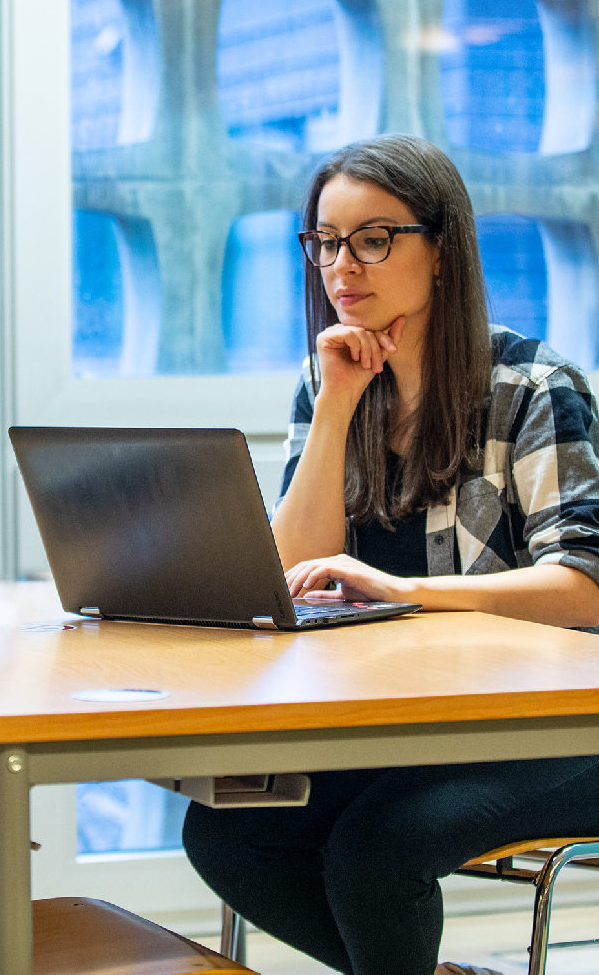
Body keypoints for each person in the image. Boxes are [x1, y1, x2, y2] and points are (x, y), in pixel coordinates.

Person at [184, 134, 599, 975]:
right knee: (230, 832)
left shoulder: (529, 385)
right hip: (419, 719)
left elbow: (583, 588)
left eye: (373, 238)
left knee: (377, 850)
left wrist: (402, 587)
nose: (343, 266)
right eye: (325, 243)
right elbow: (289, 573)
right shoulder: (332, 377)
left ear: (441, 249)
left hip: (556, 723)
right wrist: (336, 407)